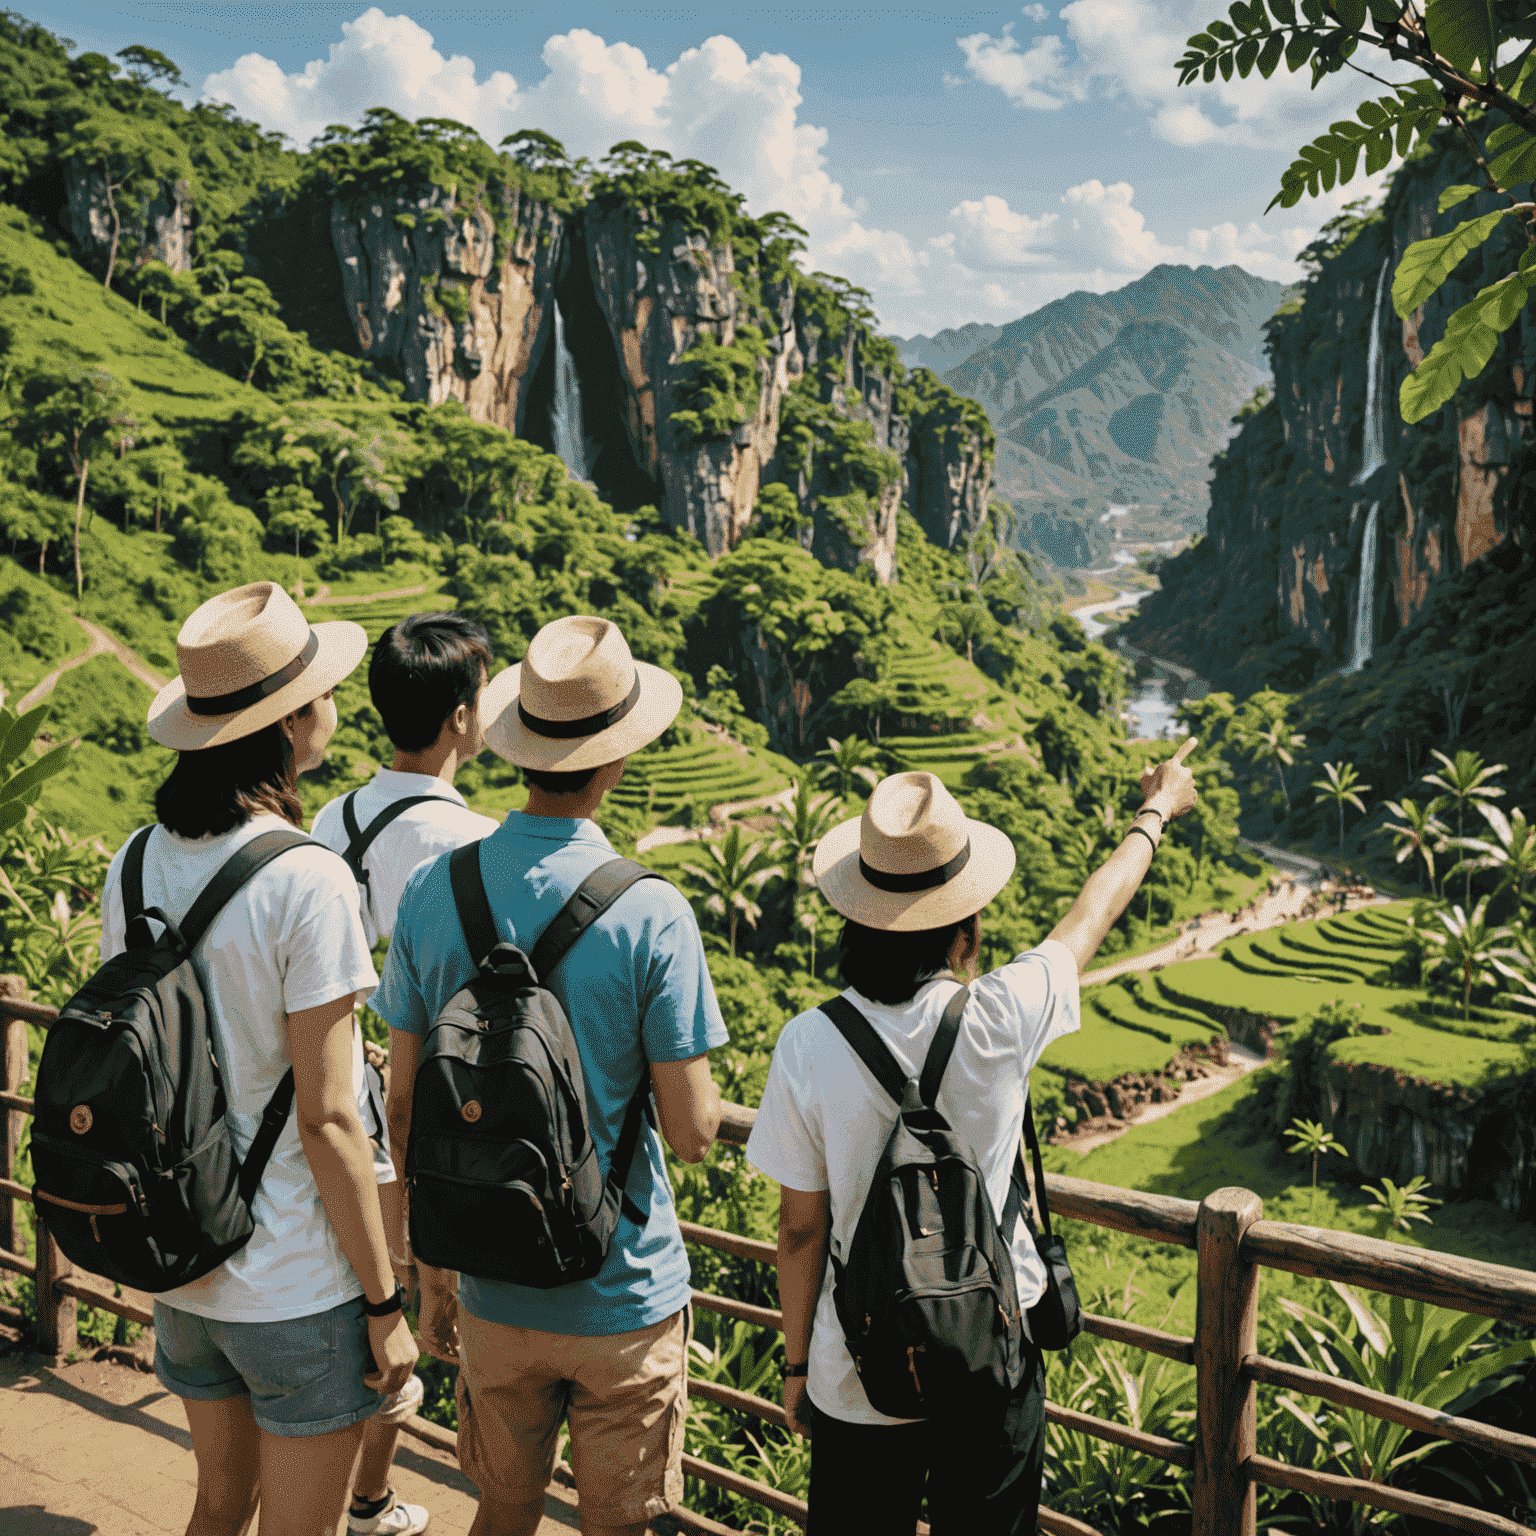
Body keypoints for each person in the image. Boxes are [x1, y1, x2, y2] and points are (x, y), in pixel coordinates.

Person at [745, 743, 1199, 1535]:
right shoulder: (1003, 1014)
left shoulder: (807, 1044)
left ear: (857, 916)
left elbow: (799, 1229)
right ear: (965, 922)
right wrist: (1153, 813)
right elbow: (1094, 911)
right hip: (991, 1349)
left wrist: (794, 1367)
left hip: (858, 1365)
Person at [375, 614, 727, 1536]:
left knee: (501, 1511)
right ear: (616, 757)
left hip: (490, 1279)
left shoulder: (433, 891)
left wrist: (434, 1272)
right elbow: (691, 1137)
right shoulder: (654, 912)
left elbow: (404, 1104)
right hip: (624, 1291)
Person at [99, 581, 417, 1536]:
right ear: (288, 724)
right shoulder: (307, 877)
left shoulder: (135, 860)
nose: (330, 709)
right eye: (318, 694)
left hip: (186, 1263)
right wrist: (384, 1301)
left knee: (218, 1506)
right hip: (291, 1281)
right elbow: (329, 1117)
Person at [311, 612, 501, 1536]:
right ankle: (363, 1501)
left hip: (322, 1094)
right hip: (406, 1116)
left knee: (352, 1300)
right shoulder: (470, 844)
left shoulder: (331, 816)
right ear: (462, 719)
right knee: (401, 1314)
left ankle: (357, 1494)